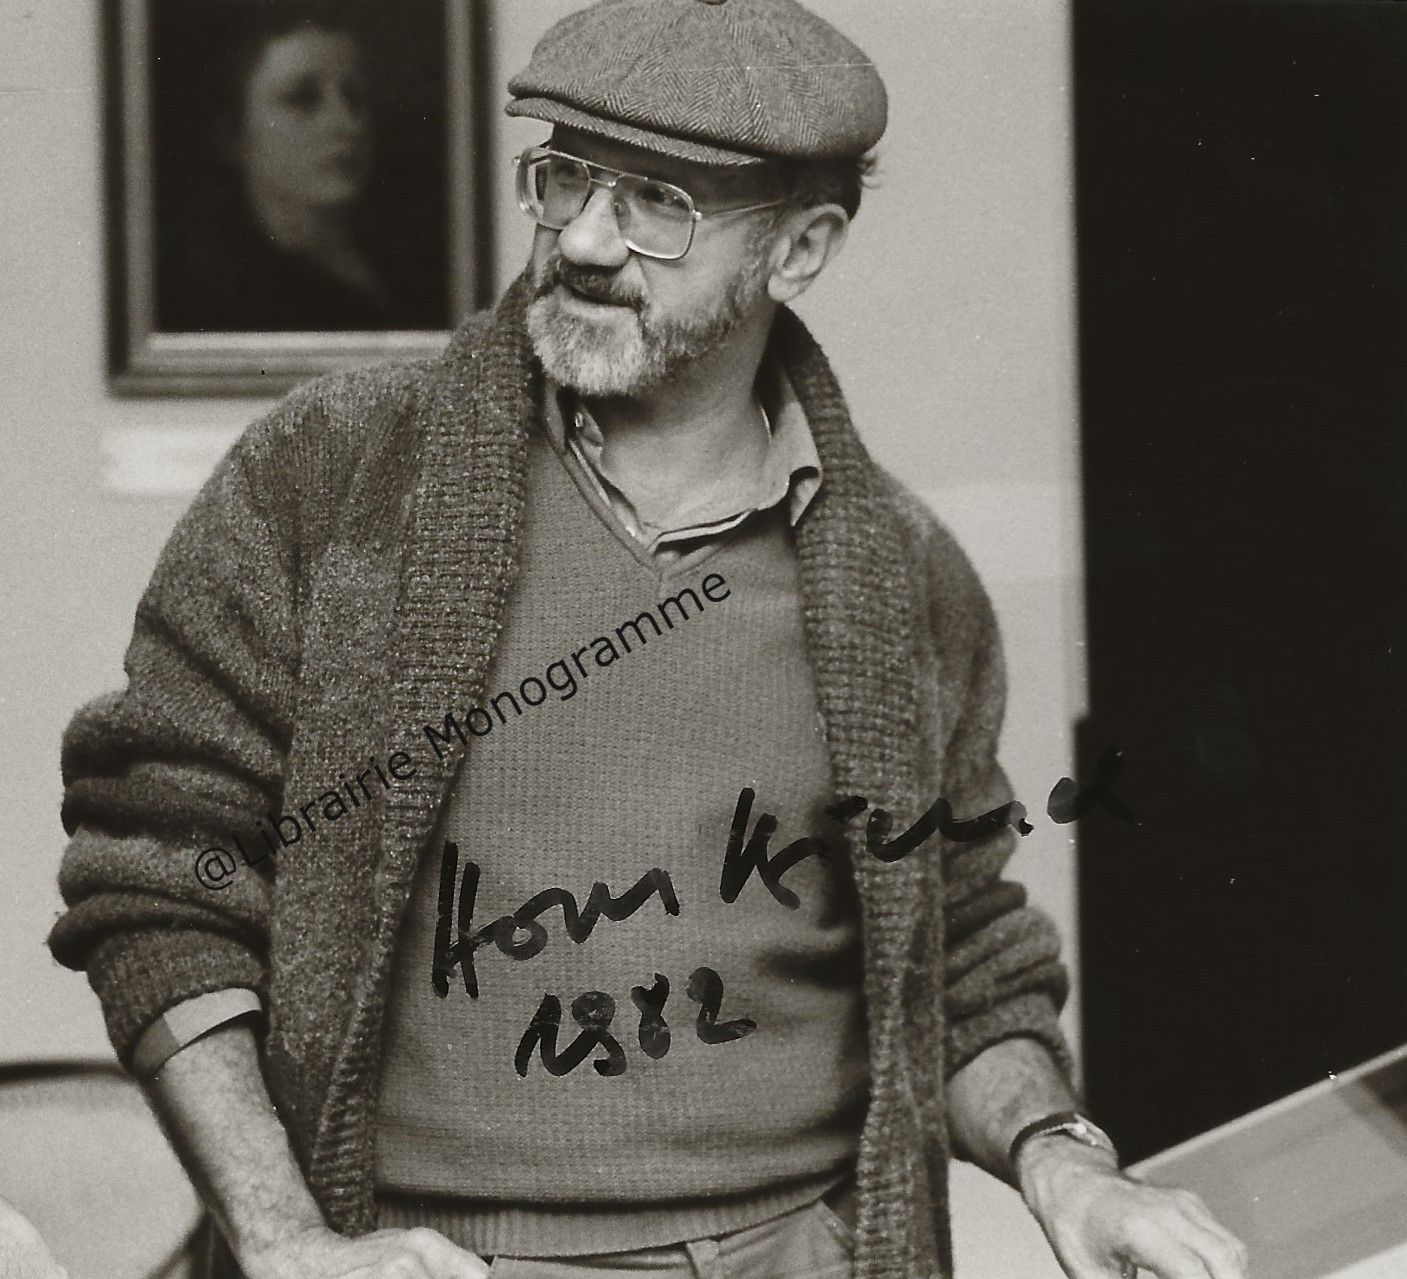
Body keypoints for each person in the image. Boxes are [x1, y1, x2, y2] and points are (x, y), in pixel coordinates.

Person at [50, 2, 1250, 1277]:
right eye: (565, 177)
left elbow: (961, 949)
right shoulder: (328, 480)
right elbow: (157, 878)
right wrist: (282, 1235)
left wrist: (1065, 1161)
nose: (580, 238)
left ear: (800, 248)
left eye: (657, 204)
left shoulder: (905, 576)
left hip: (811, 1252)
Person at [156, 3, 439, 333]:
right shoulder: (212, 291)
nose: (349, 124)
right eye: (302, 99)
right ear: (233, 133)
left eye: (355, 96)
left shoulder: (414, 261)